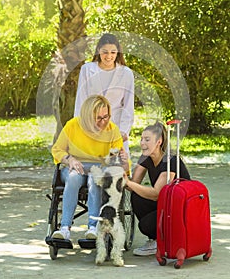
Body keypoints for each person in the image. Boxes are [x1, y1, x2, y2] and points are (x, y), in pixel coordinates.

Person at [51, 95, 129, 241]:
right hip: (75, 166)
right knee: (73, 178)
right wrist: (70, 159)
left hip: (99, 168)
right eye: (98, 118)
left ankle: (93, 227)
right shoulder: (73, 125)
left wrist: (119, 160)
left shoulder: (112, 130)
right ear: (87, 117)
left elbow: (119, 159)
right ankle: (64, 228)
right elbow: (57, 149)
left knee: (96, 179)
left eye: (106, 116)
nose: (104, 121)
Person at [123, 121, 191, 256]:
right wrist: (124, 165)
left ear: (159, 141)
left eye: (147, 140)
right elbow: (132, 184)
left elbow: (156, 194)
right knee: (136, 195)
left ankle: (160, 240)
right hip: (165, 202)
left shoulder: (170, 161)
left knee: (145, 225)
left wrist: (129, 183)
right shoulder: (146, 158)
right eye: (141, 139)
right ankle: (156, 239)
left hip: (179, 208)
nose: (142, 143)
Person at [74, 33, 134, 154]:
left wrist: (123, 132)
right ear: (98, 51)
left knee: (116, 169)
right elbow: (81, 100)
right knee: (92, 167)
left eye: (113, 52)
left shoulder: (126, 73)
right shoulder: (87, 69)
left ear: (118, 53)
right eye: (105, 52)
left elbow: (128, 106)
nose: (109, 56)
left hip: (115, 128)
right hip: (91, 126)